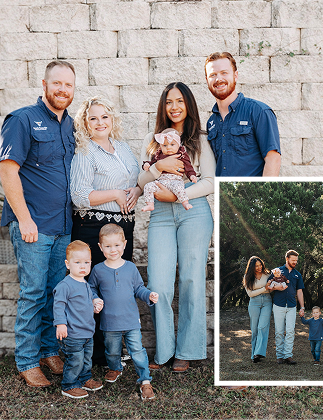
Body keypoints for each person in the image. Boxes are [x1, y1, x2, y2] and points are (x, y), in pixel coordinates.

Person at [0, 60, 76, 387]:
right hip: (34, 226)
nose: (62, 89)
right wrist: (25, 219)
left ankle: (48, 350)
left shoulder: (71, 125)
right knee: (33, 293)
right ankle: (28, 360)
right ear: (44, 86)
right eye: (56, 83)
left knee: (55, 292)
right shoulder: (22, 120)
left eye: (68, 85)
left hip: (62, 226)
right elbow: (8, 170)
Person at [138, 81, 215, 373]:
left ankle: (188, 350)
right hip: (159, 215)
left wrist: (175, 194)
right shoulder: (152, 138)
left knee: (192, 281)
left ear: (188, 104)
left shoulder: (200, 138)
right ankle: (164, 349)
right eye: (169, 101)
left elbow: (209, 181)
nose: (174, 107)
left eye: (180, 101)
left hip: (193, 212)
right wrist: (160, 167)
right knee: (158, 283)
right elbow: (141, 180)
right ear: (163, 106)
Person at [70, 96, 141, 366]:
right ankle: (95, 355)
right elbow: (79, 195)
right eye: (93, 118)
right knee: (96, 291)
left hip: (123, 229)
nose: (100, 122)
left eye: (104, 117)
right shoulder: (85, 151)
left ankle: (112, 352)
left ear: (112, 119)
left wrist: (136, 189)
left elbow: (135, 180)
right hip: (93, 228)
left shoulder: (122, 148)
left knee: (117, 290)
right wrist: (114, 193)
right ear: (85, 124)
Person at [88, 224, 159, 401]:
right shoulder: (97, 270)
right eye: (108, 246)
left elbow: (139, 289)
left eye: (117, 245)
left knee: (137, 351)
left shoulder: (130, 268)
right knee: (112, 351)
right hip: (109, 322)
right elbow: (90, 289)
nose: (113, 250)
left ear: (124, 244)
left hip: (131, 321)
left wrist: (149, 295)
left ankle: (145, 381)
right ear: (100, 247)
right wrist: (94, 299)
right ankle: (115, 368)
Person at [204, 51, 281, 177]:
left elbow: (273, 159)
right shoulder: (211, 123)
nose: (219, 79)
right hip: (223, 195)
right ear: (207, 80)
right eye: (213, 75)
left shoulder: (259, 111)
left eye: (224, 73)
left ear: (235, 75)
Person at [53, 241, 104, 399]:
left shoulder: (85, 284)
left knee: (86, 359)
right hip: (73, 333)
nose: (83, 266)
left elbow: (88, 299)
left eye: (86, 262)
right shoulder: (65, 285)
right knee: (75, 360)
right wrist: (60, 324)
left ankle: (84, 378)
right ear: (68, 264)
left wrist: (95, 302)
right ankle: (69, 385)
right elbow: (58, 305)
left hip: (87, 332)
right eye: (77, 262)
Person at [142, 128, 197, 212]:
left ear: (178, 144)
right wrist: (146, 164)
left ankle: (185, 202)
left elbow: (188, 166)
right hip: (161, 182)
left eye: (172, 145)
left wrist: (192, 175)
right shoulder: (158, 154)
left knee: (179, 188)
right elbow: (152, 163)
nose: (168, 148)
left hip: (175, 180)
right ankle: (150, 204)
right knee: (148, 186)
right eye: (165, 145)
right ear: (160, 146)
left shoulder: (181, 154)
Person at [267, 250, 305, 365]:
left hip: (292, 306)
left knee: (290, 331)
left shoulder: (297, 274)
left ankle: (288, 355)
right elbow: (268, 286)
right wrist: (276, 288)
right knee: (279, 331)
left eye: (296, 261)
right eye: (293, 260)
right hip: (278, 304)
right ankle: (279, 356)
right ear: (287, 259)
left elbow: (299, 292)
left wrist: (302, 307)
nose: (295, 262)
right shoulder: (277, 271)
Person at [242, 256, 273, 363]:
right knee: (254, 329)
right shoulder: (247, 277)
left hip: (267, 302)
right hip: (254, 302)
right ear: (251, 267)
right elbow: (250, 294)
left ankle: (258, 353)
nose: (259, 267)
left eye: (260, 265)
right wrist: (265, 288)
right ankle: (254, 354)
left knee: (262, 327)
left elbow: (272, 287)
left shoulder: (268, 275)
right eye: (256, 266)